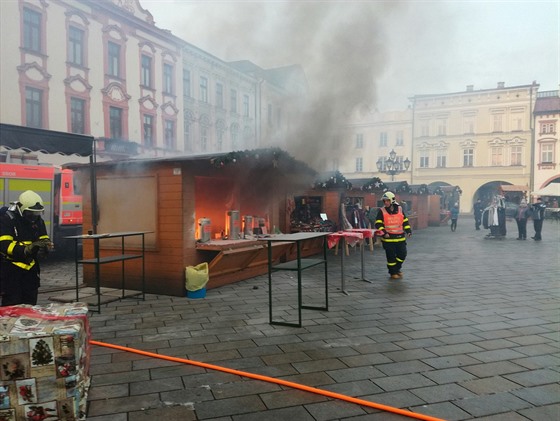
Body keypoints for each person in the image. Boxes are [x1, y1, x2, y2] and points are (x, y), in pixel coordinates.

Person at [0, 190, 53, 306]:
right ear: (21, 209)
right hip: (12, 272)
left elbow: (43, 237)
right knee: (12, 306)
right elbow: (4, 245)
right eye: (30, 214)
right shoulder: (7, 220)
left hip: (31, 270)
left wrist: (46, 246)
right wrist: (27, 249)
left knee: (31, 305)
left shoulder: (37, 220)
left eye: (37, 214)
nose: (33, 217)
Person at [374, 191, 412, 280]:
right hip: (388, 239)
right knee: (391, 257)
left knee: (402, 254)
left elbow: (405, 221)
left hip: (400, 238)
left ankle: (397, 268)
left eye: (387, 201)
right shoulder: (381, 211)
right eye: (384, 201)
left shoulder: (400, 209)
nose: (385, 202)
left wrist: (408, 231)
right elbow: (378, 223)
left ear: (392, 200)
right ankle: (392, 272)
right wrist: (384, 232)